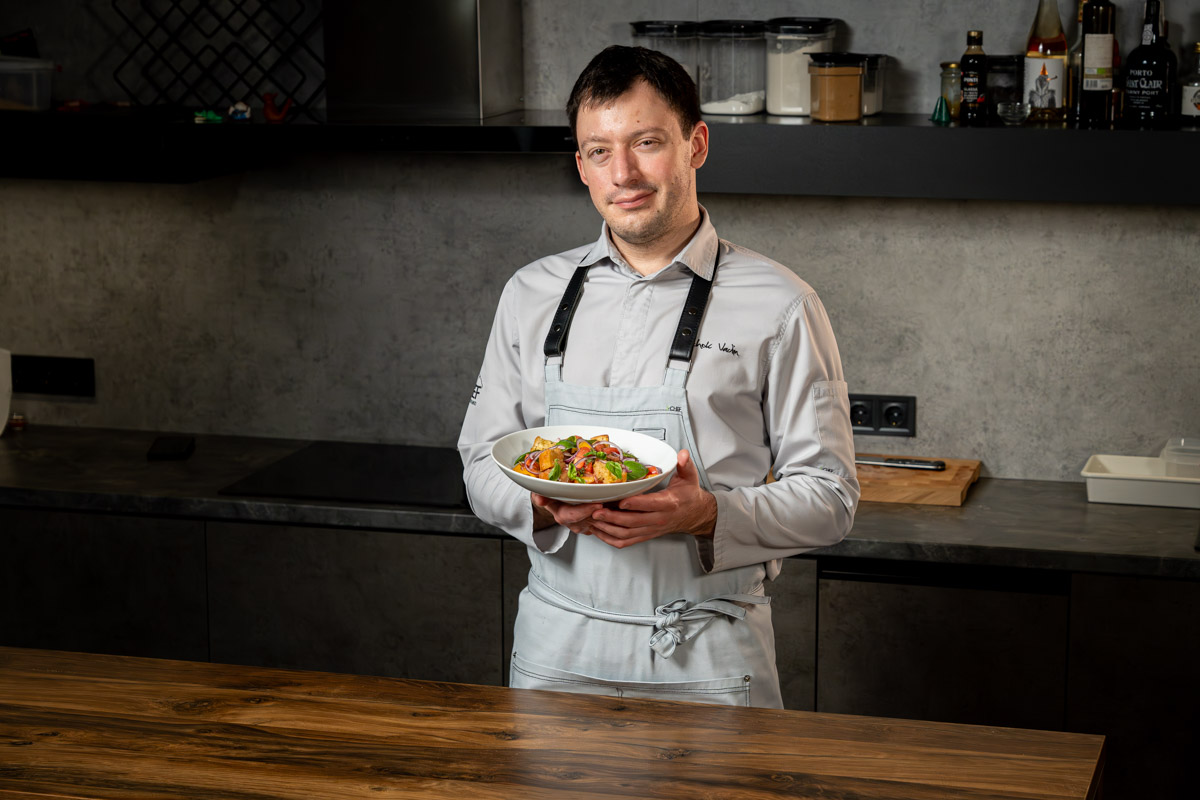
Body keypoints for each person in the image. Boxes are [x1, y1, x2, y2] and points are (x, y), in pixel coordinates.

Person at [457, 45, 858, 709]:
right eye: (597, 150)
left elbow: (832, 497)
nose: (624, 173)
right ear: (579, 163)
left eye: (647, 142)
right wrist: (540, 502)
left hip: (706, 653)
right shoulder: (531, 293)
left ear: (696, 144)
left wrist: (708, 514)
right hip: (556, 653)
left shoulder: (783, 303)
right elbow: (478, 462)